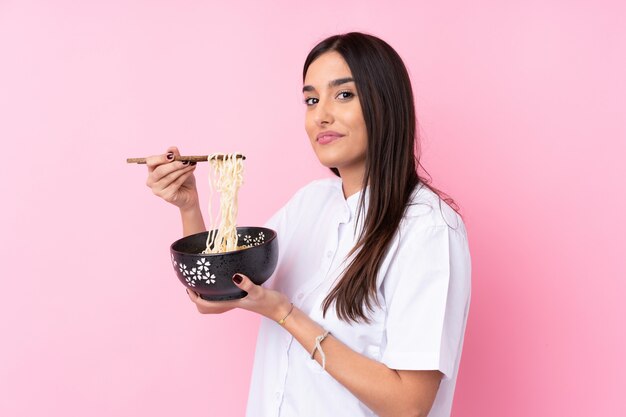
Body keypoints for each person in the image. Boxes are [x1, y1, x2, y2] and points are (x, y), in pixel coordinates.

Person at [144, 32, 471, 417]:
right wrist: (188, 205)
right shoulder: (310, 203)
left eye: (344, 95)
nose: (321, 114)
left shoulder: (427, 229)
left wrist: (286, 314)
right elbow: (218, 294)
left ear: (386, 104)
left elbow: (409, 405)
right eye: (311, 100)